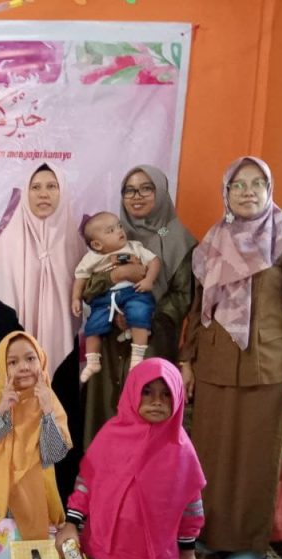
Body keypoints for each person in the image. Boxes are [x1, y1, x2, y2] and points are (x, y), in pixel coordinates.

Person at [180, 156, 282, 559]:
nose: (248, 192)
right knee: (211, 455)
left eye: (257, 183)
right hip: (215, 363)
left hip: (267, 366)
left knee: (257, 456)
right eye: (238, 185)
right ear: (226, 193)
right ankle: (207, 533)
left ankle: (250, 542)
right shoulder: (210, 244)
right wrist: (187, 360)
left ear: (269, 190)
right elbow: (197, 308)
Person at [56, 358, 205, 559]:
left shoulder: (180, 448)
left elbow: (191, 503)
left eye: (166, 394)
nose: (156, 402)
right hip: (108, 544)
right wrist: (71, 523)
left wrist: (187, 548)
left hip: (153, 550)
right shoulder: (111, 435)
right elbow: (86, 482)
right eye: (147, 392)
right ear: (132, 392)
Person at [82, 165, 197, 447]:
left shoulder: (180, 241)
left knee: (146, 420)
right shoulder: (111, 236)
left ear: (161, 192)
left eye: (146, 188)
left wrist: (144, 315)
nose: (137, 196)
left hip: (153, 344)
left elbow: (183, 296)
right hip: (109, 344)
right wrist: (116, 277)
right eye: (129, 190)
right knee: (106, 418)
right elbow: (87, 288)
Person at [0, 164, 85, 502]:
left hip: (64, 354)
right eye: (36, 187)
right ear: (25, 193)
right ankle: (17, 505)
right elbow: (0, 306)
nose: (43, 194)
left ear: (62, 193)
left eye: (51, 186)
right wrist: (22, 357)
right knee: (18, 430)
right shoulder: (7, 244)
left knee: (60, 422)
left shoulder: (76, 245)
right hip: (20, 355)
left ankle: (59, 503)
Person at [0, 331, 71, 541]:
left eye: (31, 359)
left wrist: (47, 411)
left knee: (33, 557)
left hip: (37, 500)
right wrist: (2, 410)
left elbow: (52, 455)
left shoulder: (49, 401)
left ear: (41, 361)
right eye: (13, 362)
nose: (23, 367)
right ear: (2, 367)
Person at [72, 212, 161, 383]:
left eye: (119, 226)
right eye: (111, 230)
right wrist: (75, 298)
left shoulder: (134, 247)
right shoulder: (91, 258)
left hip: (133, 292)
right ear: (97, 244)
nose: (119, 231)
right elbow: (80, 278)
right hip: (106, 299)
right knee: (93, 326)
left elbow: (154, 261)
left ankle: (137, 357)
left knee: (139, 312)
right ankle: (92, 361)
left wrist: (149, 280)